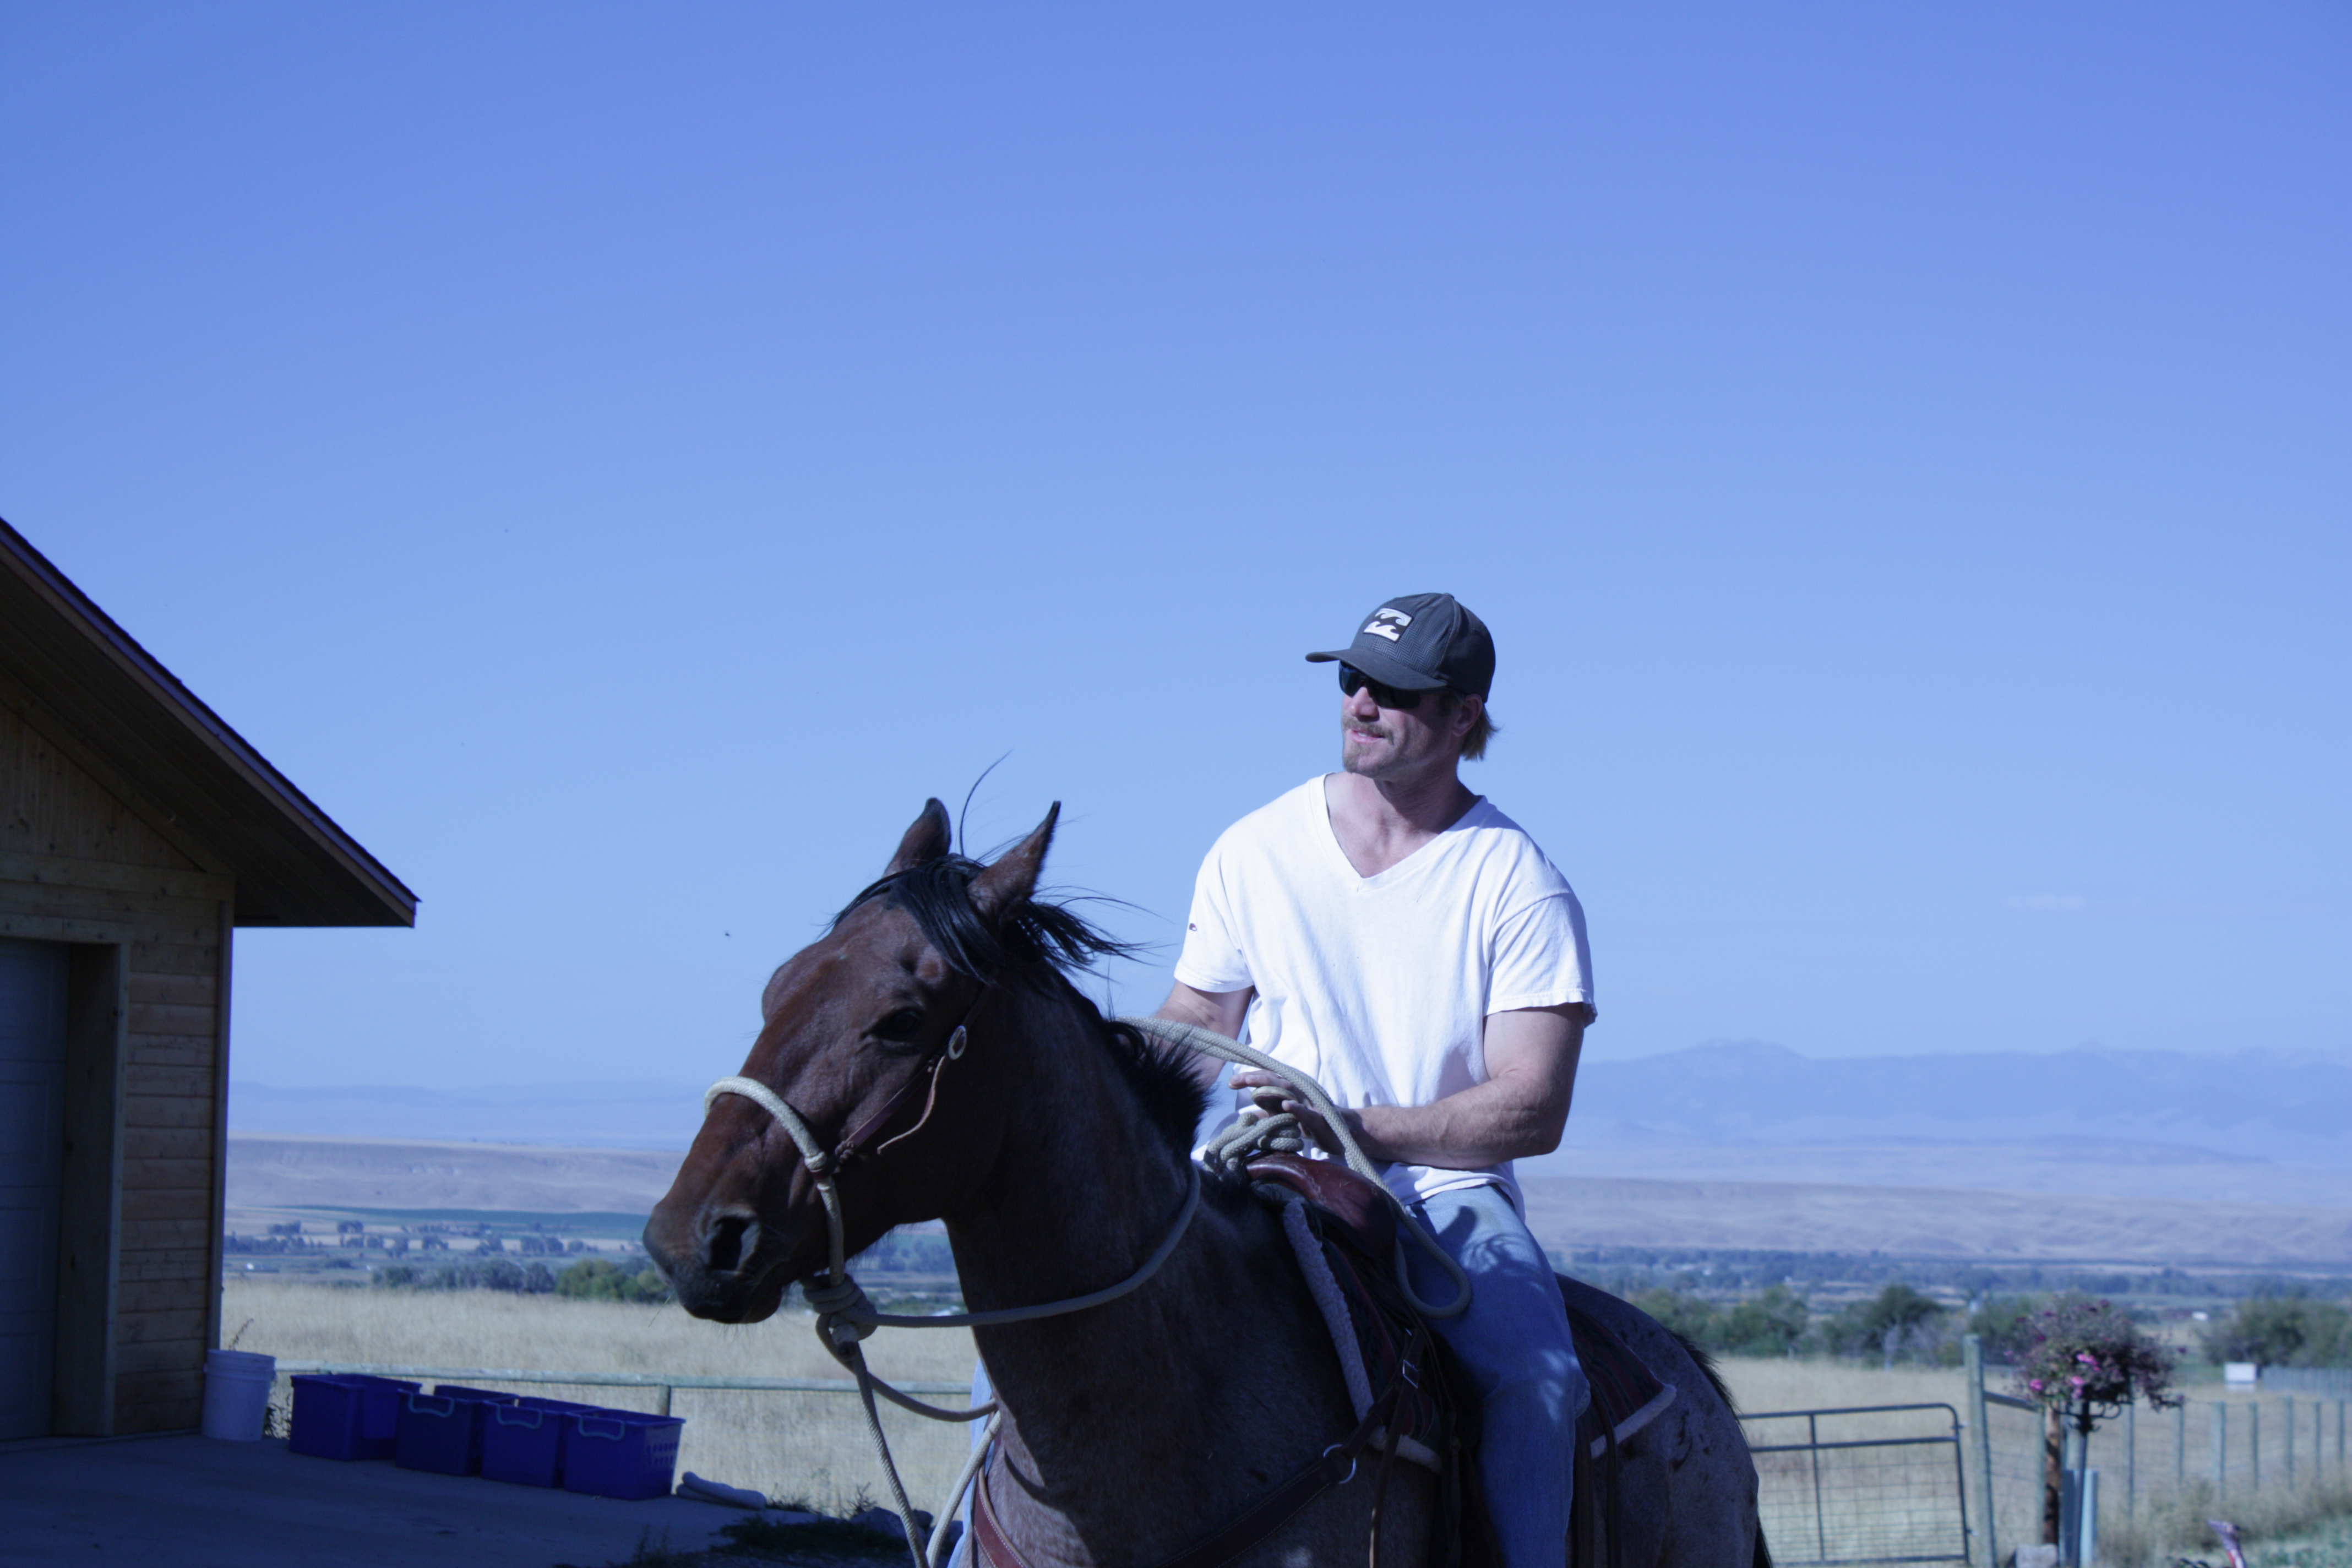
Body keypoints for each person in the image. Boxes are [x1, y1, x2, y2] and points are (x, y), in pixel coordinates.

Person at [1153, 592, 1593, 1568]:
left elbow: (1534, 1105)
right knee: (1064, 1322)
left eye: (1392, 691)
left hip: (1440, 1195)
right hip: (1246, 1174)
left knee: (1541, 1383)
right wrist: (1118, 1075)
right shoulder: (1253, 848)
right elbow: (1197, 1024)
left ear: (1462, 716)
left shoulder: (1516, 881)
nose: (1359, 702)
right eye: (1352, 679)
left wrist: (1354, 1125)